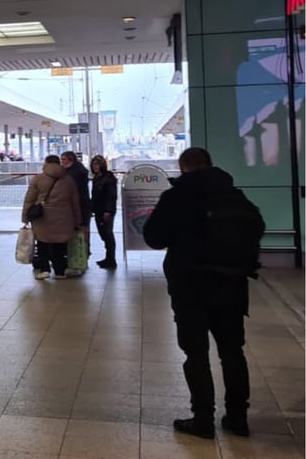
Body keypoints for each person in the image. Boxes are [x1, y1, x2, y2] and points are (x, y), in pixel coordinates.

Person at [143, 147, 262, 439]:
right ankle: (237, 417)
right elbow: (256, 227)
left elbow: (154, 237)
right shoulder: (233, 194)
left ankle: (203, 420)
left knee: (195, 353)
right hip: (231, 285)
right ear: (210, 164)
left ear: (183, 168)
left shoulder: (177, 197)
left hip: (190, 286)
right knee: (232, 352)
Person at [22, 155, 81, 280]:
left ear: (46, 163)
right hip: (64, 217)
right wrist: (77, 220)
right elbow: (75, 201)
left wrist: (25, 216)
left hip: (42, 217)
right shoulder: (68, 179)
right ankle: (60, 271)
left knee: (43, 243)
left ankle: (45, 270)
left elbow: (29, 199)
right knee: (59, 244)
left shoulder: (38, 179)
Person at [89, 155, 118, 269]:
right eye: (94, 164)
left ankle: (111, 259)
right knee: (104, 234)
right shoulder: (97, 177)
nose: (95, 166)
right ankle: (109, 258)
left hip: (106, 211)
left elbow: (112, 196)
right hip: (99, 210)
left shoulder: (108, 178)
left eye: (97, 164)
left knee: (107, 234)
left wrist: (108, 211)